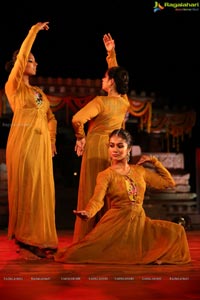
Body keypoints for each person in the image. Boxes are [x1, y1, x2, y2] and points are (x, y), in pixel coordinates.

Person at [54, 129, 191, 265]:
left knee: (177, 231)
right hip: (116, 223)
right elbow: (97, 200)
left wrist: (154, 161)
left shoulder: (139, 171)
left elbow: (169, 183)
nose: (115, 149)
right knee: (78, 254)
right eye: (111, 145)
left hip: (140, 223)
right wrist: (88, 212)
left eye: (120, 146)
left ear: (129, 149)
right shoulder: (106, 175)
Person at [5, 22, 58, 258]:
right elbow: (22, 56)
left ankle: (41, 239)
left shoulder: (40, 93)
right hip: (23, 144)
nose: (35, 63)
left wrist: (52, 140)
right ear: (21, 63)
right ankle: (25, 240)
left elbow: (51, 118)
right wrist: (33, 32)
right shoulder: (13, 87)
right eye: (31, 60)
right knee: (26, 189)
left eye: (35, 61)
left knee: (42, 192)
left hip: (41, 148)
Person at [72, 33, 130, 242]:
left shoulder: (100, 102)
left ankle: (89, 238)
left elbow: (77, 119)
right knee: (109, 193)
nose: (102, 79)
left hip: (96, 147)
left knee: (92, 190)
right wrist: (111, 53)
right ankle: (109, 237)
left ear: (111, 82)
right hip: (114, 151)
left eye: (105, 78)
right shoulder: (124, 102)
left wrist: (80, 137)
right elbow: (118, 77)